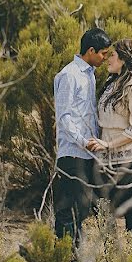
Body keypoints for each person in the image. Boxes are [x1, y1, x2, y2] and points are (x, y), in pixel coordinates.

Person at [88, 38, 132, 253]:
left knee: (131, 209)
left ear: (124, 59)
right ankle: (109, 258)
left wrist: (107, 144)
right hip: (107, 158)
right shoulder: (111, 84)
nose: (108, 59)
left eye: (113, 55)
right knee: (102, 208)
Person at [53, 27, 113, 246]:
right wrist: (83, 141)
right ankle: (64, 257)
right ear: (90, 50)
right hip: (73, 153)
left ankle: (74, 256)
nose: (105, 58)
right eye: (103, 53)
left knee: (83, 208)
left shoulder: (89, 74)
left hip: (88, 154)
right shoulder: (69, 75)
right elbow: (64, 117)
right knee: (68, 208)